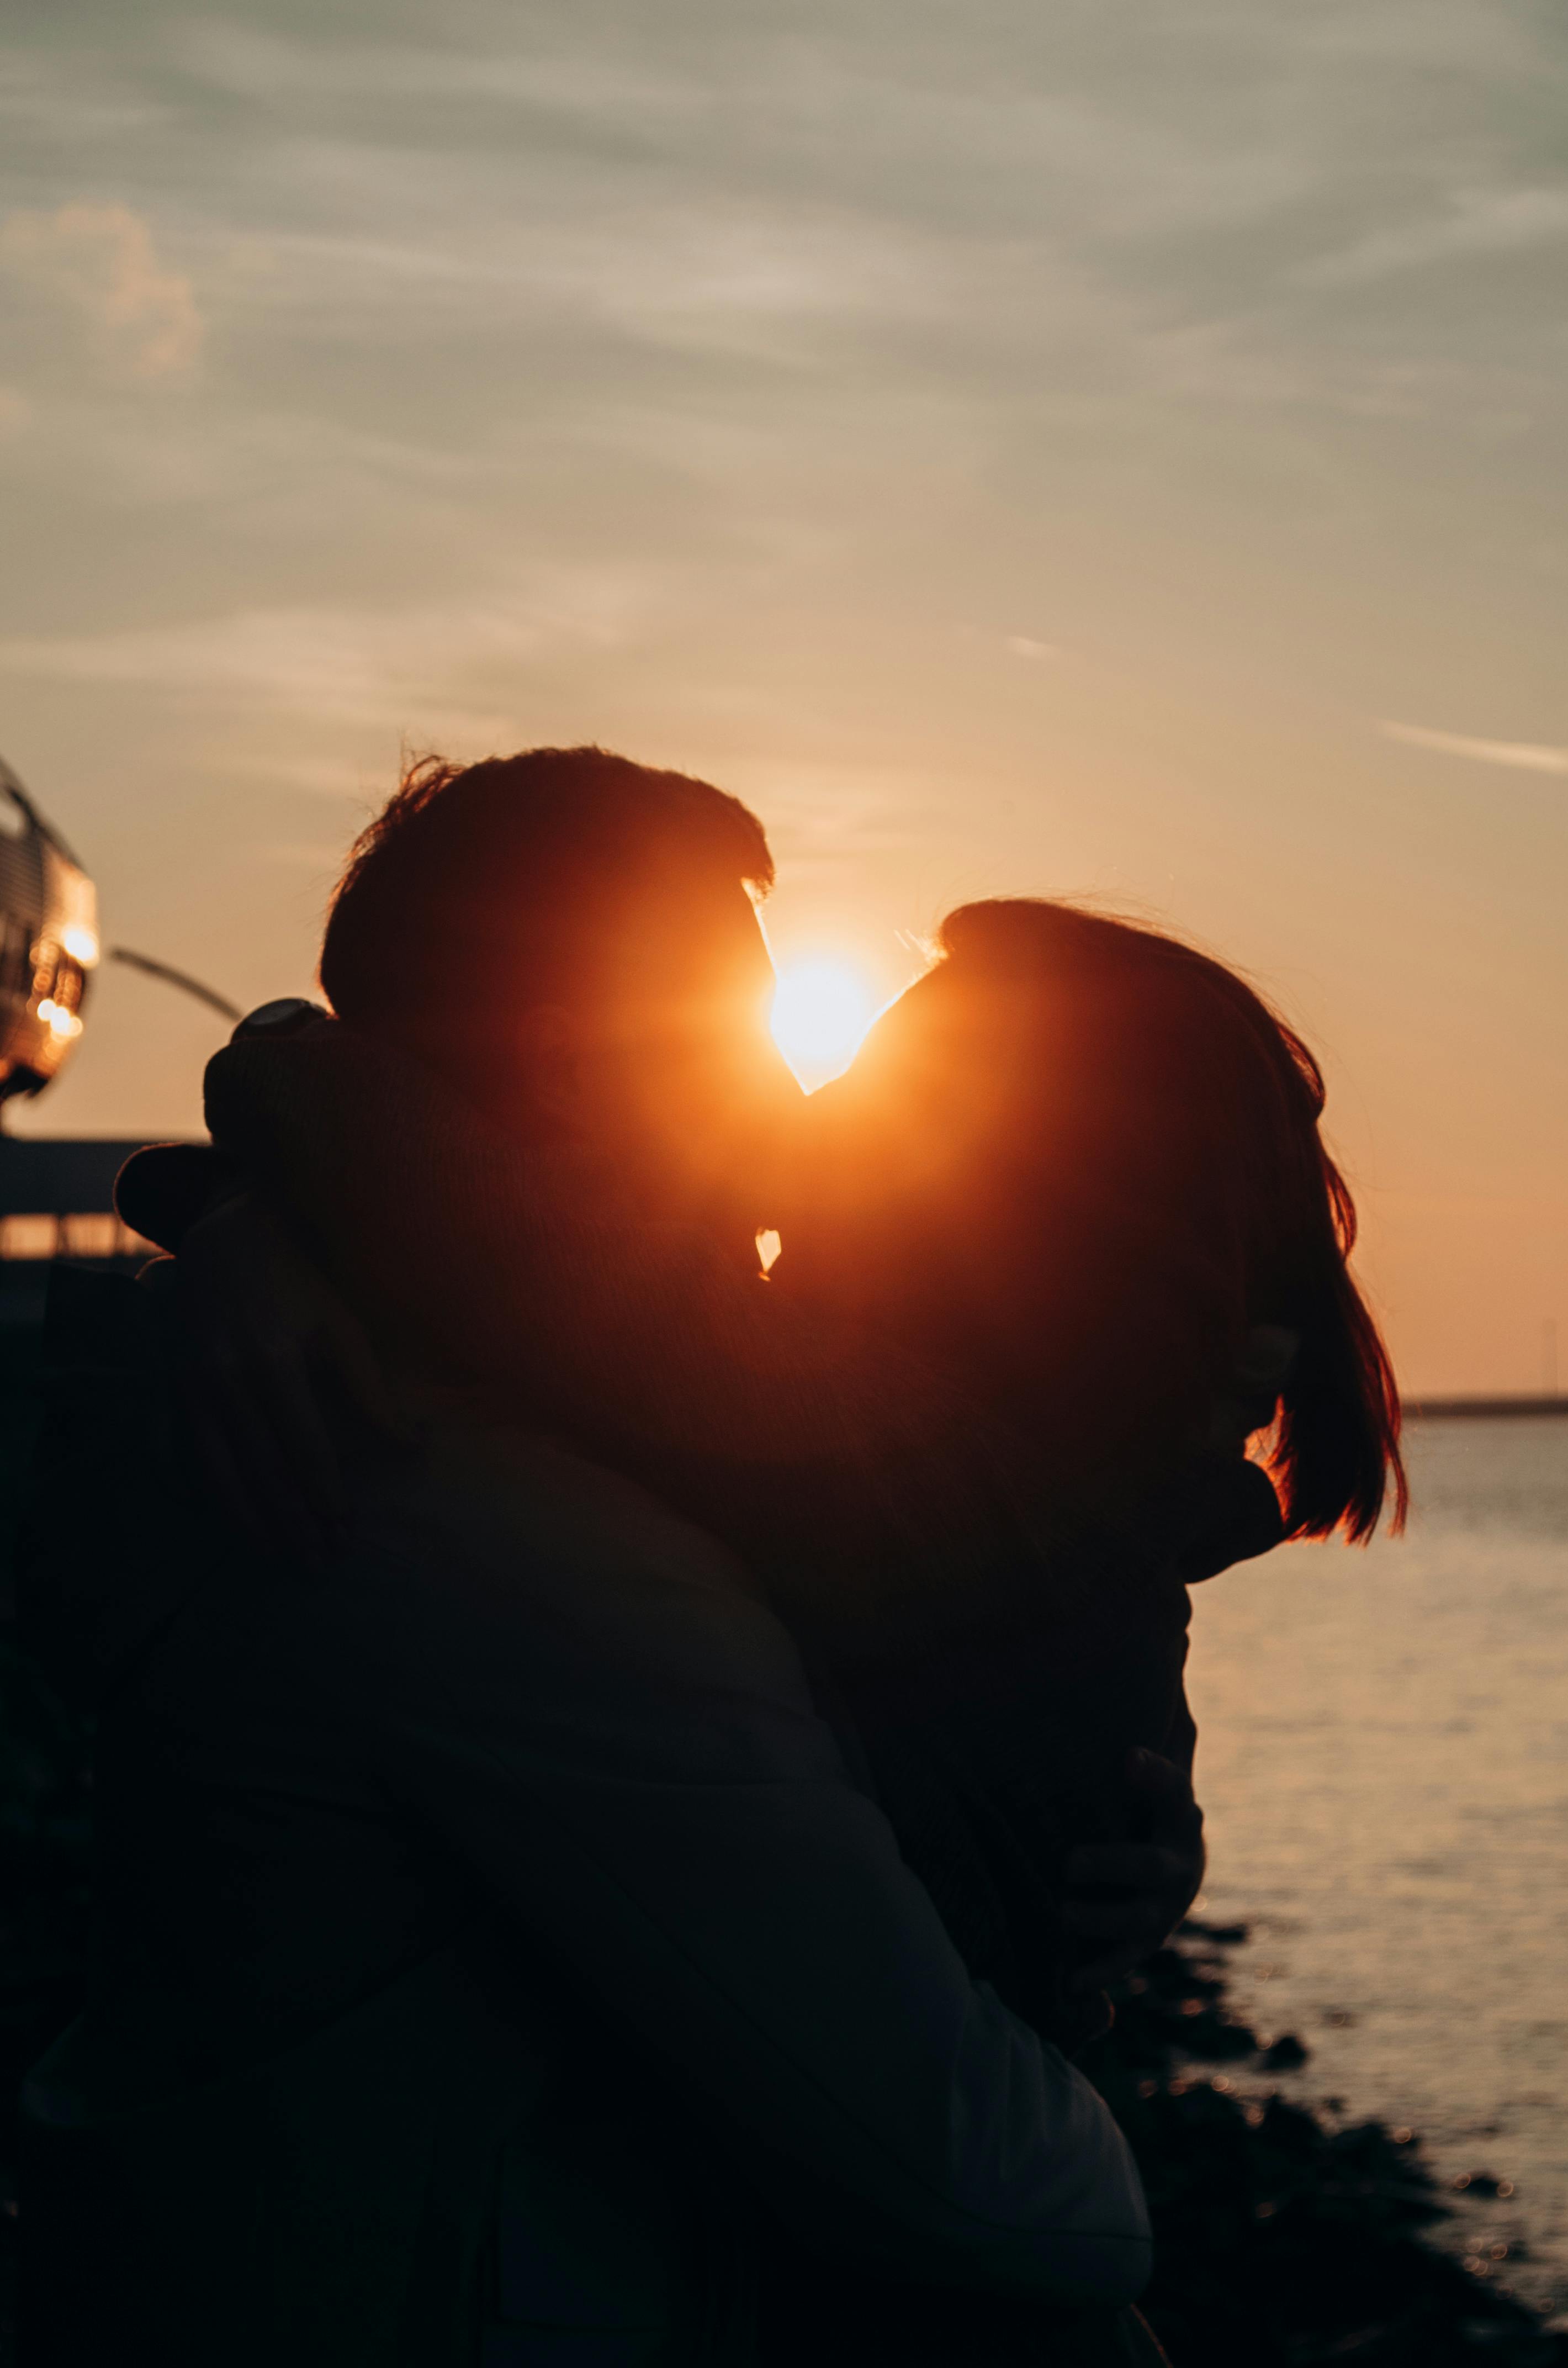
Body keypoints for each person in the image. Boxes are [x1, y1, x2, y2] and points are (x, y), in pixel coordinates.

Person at [18, 749, 1158, 2368]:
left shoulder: (467, 1395)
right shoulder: (483, 1519)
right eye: (733, 1043)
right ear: (566, 1068)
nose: (795, 1099)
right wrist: (1116, 2145)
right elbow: (977, 2182)